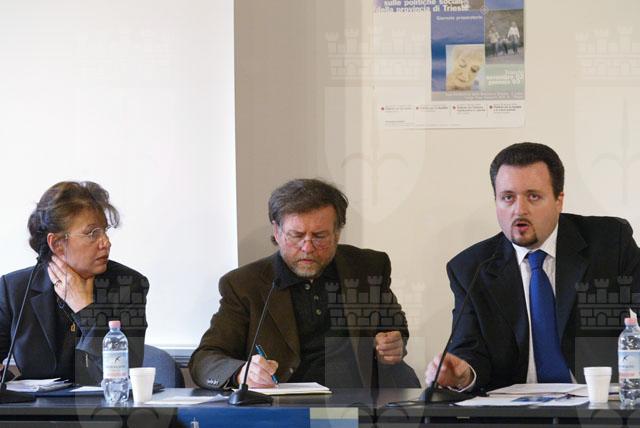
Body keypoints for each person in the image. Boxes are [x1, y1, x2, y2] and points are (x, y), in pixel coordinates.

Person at [426, 143, 640, 392]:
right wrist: (463, 376)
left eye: (533, 196)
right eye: (508, 197)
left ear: (559, 200)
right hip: (514, 408)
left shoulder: (609, 242)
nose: (519, 210)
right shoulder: (471, 268)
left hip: (598, 402)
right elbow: (469, 349)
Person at [189, 178, 419, 389]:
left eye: (319, 236)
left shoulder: (367, 268)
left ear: (337, 234)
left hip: (357, 403)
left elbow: (395, 330)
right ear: (277, 232)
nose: (307, 248)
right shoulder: (245, 284)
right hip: (284, 407)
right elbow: (205, 360)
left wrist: (394, 344)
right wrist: (242, 373)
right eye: (296, 236)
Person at [0, 181, 149, 385]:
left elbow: (127, 371)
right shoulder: (14, 289)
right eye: (92, 233)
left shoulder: (128, 285)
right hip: (37, 406)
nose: (106, 242)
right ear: (57, 243)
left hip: (104, 404)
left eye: (104, 230)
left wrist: (85, 308)